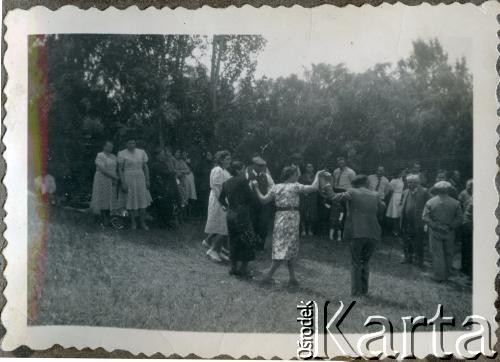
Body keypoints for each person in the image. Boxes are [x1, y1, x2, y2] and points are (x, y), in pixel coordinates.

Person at [252, 166, 320, 286]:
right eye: (295, 175)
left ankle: (292, 278)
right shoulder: (295, 186)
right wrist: (318, 175)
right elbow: (314, 188)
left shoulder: (276, 187)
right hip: (291, 217)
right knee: (286, 247)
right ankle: (268, 276)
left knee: (287, 246)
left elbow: (263, 200)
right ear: (291, 176)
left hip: (280, 217)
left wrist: (256, 188)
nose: (297, 177)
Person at [328, 175, 384, 297]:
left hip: (357, 232)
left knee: (356, 262)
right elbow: (382, 208)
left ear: (354, 184)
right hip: (373, 232)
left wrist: (327, 186)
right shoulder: (375, 194)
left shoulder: (352, 192)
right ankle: (364, 290)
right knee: (366, 262)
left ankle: (355, 292)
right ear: (366, 183)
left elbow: (333, 197)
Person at [219, 161, 259, 278]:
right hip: (242, 214)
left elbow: (221, 199)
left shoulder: (226, 183)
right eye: (243, 169)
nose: (244, 171)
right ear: (238, 170)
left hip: (230, 214)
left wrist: (228, 207)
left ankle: (233, 268)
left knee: (233, 240)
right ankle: (243, 269)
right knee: (247, 240)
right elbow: (252, 198)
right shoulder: (243, 181)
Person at [422, 181, 463, 283]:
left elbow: (425, 217)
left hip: (435, 231)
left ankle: (438, 275)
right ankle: (447, 274)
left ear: (437, 190)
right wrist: (450, 227)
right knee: (448, 253)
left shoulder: (430, 202)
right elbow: (459, 219)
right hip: (449, 231)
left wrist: (435, 226)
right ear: (448, 190)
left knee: (437, 253)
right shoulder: (456, 203)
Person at [117, 137, 152, 230]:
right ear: (126, 144)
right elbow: (120, 169)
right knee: (130, 200)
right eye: (129, 143)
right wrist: (123, 182)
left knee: (142, 200)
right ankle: (133, 222)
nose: (132, 145)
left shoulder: (141, 152)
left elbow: (145, 166)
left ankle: (142, 222)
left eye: (133, 143)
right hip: (128, 177)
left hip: (140, 178)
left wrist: (147, 179)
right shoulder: (121, 153)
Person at [203, 150, 232, 262]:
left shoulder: (224, 171)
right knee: (222, 226)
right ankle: (213, 250)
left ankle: (218, 250)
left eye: (229, 159)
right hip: (219, 199)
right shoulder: (217, 170)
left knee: (224, 226)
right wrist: (224, 202)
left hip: (225, 199)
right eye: (227, 159)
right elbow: (217, 188)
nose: (229, 161)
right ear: (220, 160)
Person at [399, 174, 430, 268]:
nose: (408, 184)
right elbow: (401, 203)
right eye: (407, 182)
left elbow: (429, 205)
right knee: (406, 240)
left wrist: (426, 219)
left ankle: (419, 260)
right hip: (406, 221)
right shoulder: (405, 192)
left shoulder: (424, 191)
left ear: (417, 182)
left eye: (410, 182)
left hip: (418, 221)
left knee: (418, 241)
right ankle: (408, 257)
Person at [246, 156, 275, 250]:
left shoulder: (266, 176)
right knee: (252, 223)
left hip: (264, 204)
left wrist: (268, 196)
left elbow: (272, 187)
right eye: (259, 165)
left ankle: (260, 246)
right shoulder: (248, 174)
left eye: (263, 166)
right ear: (254, 165)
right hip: (252, 204)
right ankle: (251, 245)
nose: (262, 167)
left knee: (263, 224)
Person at [90, 141, 119, 226]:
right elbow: (102, 169)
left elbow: (115, 169)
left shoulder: (114, 156)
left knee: (110, 197)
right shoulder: (100, 155)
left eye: (112, 147)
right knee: (101, 197)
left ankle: (108, 218)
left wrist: (114, 178)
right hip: (102, 178)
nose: (110, 148)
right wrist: (114, 177)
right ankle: (101, 218)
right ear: (104, 147)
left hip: (111, 179)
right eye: (108, 146)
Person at [150, 148, 178, 228]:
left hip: (167, 187)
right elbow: (162, 174)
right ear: (157, 156)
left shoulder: (165, 163)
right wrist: (172, 172)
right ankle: (162, 223)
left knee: (168, 205)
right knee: (161, 205)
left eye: (163, 154)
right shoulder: (154, 165)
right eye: (161, 155)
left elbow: (169, 173)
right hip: (158, 187)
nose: (163, 156)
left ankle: (168, 221)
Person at [330, 157, 356, 241]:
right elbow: (333, 183)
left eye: (342, 163)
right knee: (335, 213)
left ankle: (343, 233)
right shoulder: (335, 171)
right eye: (339, 163)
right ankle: (334, 233)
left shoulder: (351, 172)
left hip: (345, 192)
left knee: (343, 213)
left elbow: (354, 184)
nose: (340, 164)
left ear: (345, 163)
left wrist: (349, 194)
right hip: (336, 191)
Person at [385, 168, 406, 235]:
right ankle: (395, 230)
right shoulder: (394, 181)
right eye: (403, 172)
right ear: (399, 173)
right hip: (395, 197)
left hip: (401, 196)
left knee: (400, 213)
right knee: (395, 214)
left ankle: (400, 229)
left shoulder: (402, 179)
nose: (404, 174)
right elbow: (390, 190)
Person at [299, 163, 318, 236]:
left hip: (312, 197)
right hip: (304, 196)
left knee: (312, 213)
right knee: (303, 212)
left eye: (311, 167)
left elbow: (317, 186)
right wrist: (304, 192)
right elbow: (299, 186)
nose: (309, 168)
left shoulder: (316, 177)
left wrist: (311, 192)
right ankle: (303, 230)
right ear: (306, 168)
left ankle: (310, 230)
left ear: (313, 168)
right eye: (308, 167)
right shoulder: (301, 176)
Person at [458, 179, 473, 278]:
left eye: (471, 187)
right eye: (468, 186)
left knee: (469, 247)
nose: (469, 188)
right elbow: (459, 204)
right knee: (465, 246)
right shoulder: (463, 193)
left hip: (469, 222)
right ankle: (464, 267)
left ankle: (468, 269)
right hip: (465, 222)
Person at [197, 151, 214, 217]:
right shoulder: (203, 164)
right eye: (208, 155)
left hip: (209, 185)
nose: (209, 157)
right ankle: (205, 215)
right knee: (205, 201)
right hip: (204, 185)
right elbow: (202, 173)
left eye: (210, 155)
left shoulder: (212, 164)